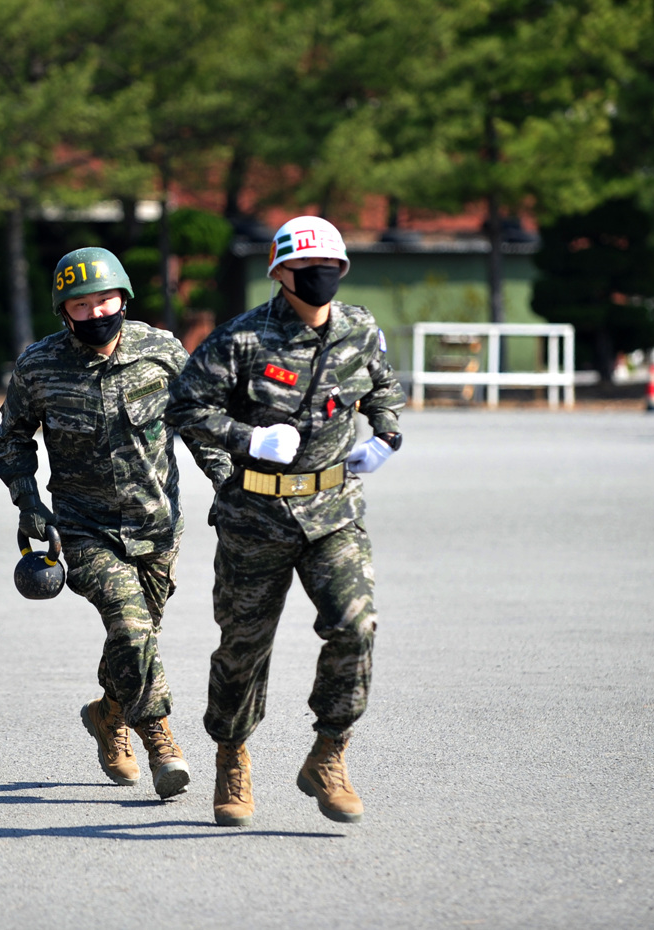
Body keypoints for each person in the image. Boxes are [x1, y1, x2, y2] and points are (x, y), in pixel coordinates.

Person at [165, 216, 405, 827]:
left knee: (357, 626)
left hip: (333, 513)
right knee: (244, 648)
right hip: (255, 515)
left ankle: (329, 753)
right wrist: (247, 438)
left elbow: (383, 388)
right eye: (309, 269)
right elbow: (186, 407)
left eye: (333, 268)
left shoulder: (359, 328)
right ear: (280, 272)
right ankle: (232, 756)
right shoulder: (240, 340)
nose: (322, 278)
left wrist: (386, 436)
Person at [0, 247, 232, 799]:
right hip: (81, 529)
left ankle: (107, 714)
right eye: (82, 306)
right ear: (63, 311)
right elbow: (9, 442)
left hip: (157, 528)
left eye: (106, 301)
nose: (97, 314)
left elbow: (199, 424)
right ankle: (160, 737)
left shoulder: (162, 350)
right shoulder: (39, 365)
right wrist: (28, 502)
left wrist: (228, 484)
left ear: (124, 298)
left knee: (136, 640)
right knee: (130, 627)